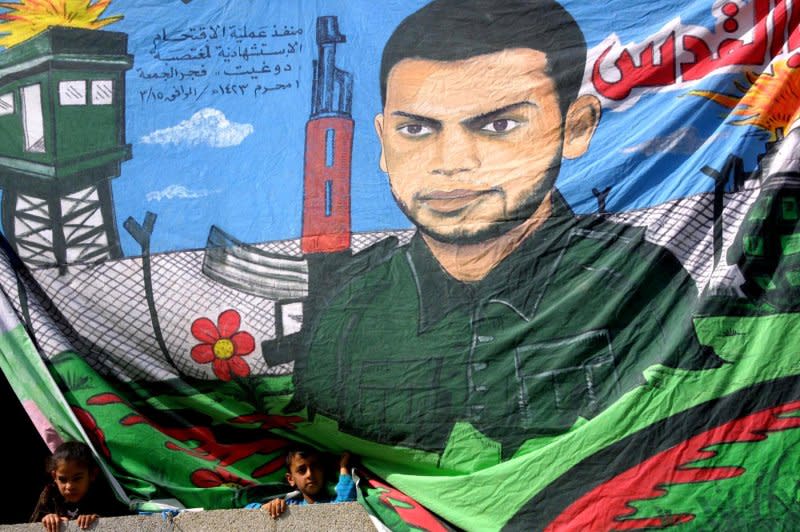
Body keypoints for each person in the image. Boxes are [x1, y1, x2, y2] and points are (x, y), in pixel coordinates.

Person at [291, 0, 723, 458]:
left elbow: (705, 426)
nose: (451, 162)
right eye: (416, 130)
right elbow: (309, 450)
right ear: (383, 143)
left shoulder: (636, 279)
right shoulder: (348, 311)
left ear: (575, 128)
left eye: (499, 124)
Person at [29, 441, 127, 531]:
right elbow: (30, 526)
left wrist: (97, 521)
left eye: (77, 478)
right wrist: (47, 519)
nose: (69, 486)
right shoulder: (50, 494)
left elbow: (121, 522)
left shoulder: (102, 495)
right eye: (62, 480)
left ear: (92, 474)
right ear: (54, 476)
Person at [259, 447, 356, 519]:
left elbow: (346, 501)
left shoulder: (333, 504)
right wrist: (266, 507)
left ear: (323, 470)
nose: (310, 474)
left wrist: (343, 467)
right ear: (291, 479)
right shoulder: (289, 506)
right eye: (302, 470)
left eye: (315, 467)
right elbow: (247, 508)